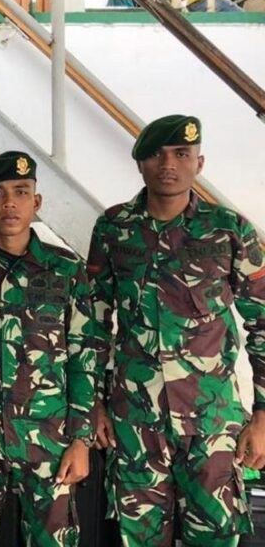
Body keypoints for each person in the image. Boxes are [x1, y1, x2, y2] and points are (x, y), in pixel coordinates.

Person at [88, 114, 265, 546]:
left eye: (182, 154)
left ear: (198, 163)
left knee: (216, 536)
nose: (169, 164)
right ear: (140, 164)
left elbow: (263, 321)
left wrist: (263, 416)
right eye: (157, 154)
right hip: (136, 422)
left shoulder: (229, 230)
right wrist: (93, 403)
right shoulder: (113, 228)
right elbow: (91, 322)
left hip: (211, 423)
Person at [0, 151, 97, 546]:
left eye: (21, 192)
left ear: (36, 202)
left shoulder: (65, 270)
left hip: (49, 437)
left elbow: (84, 357)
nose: (10, 203)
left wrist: (81, 440)